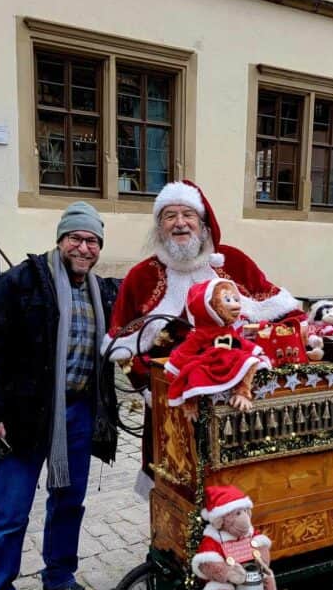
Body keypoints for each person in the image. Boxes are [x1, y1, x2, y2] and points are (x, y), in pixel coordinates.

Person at [0, 201, 118, 590]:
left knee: (69, 501)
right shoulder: (21, 282)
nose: (83, 246)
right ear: (60, 239)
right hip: (23, 416)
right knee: (10, 513)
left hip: (77, 413)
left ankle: (59, 577)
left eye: (92, 240)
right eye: (76, 237)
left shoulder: (103, 292)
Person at [103, 180, 302, 488]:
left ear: (203, 224)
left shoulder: (233, 262)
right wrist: (150, 388)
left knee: (240, 481)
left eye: (188, 215)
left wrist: (313, 330)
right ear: (159, 226)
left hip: (239, 402)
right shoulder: (141, 277)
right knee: (178, 486)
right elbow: (121, 348)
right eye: (170, 216)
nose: (180, 223)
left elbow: (284, 312)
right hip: (175, 403)